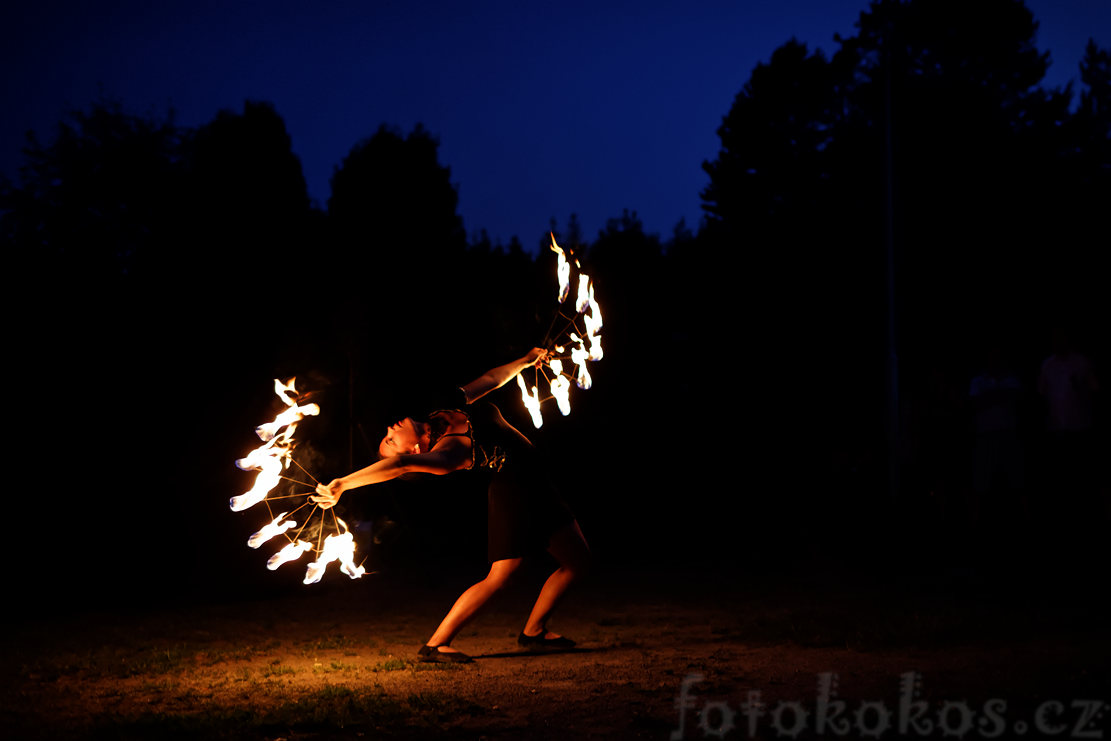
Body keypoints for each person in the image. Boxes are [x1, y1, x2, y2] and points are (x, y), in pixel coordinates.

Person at [312, 348, 590, 663]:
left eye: (387, 435)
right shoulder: (450, 453)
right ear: (414, 450)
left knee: (579, 562)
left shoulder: (440, 413)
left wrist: (527, 360)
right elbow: (401, 466)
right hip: (515, 494)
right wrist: (343, 484)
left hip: (538, 485)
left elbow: (489, 379)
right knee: (501, 576)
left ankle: (534, 631)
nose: (390, 429)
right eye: (390, 440)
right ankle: (437, 644)